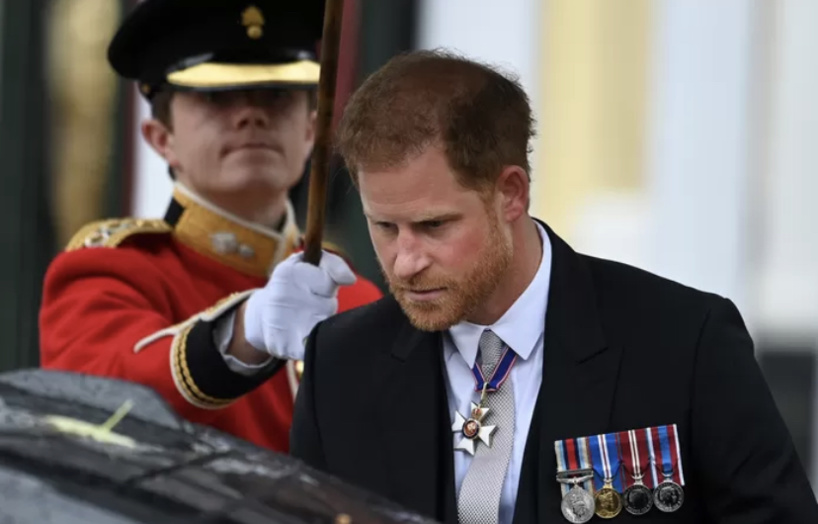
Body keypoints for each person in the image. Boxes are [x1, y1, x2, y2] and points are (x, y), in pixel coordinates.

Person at [290, 49, 818, 523]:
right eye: (383, 227)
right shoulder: (340, 364)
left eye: (434, 226)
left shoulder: (684, 341)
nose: (404, 262)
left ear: (511, 194)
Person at [38, 0, 382, 453]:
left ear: (311, 130)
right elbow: (98, 393)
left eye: (276, 96)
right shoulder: (110, 271)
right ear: (162, 140)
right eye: (217, 98)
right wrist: (242, 332)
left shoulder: (357, 299)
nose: (251, 115)